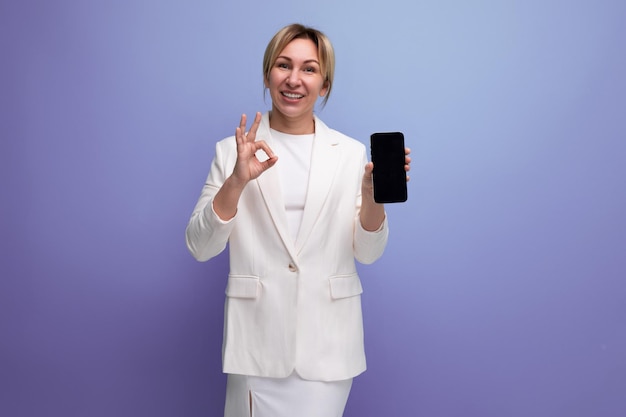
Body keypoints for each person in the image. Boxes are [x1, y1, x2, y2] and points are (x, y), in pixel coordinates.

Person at [185, 23, 411, 417]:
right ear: (267, 74)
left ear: (324, 85)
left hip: (327, 347)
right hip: (256, 344)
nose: (293, 79)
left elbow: (368, 253)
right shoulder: (229, 153)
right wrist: (236, 181)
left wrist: (373, 196)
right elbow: (200, 247)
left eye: (309, 69)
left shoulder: (350, 154)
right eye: (283, 65)